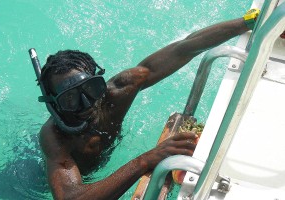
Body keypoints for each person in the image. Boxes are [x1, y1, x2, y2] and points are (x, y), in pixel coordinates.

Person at [37, 9, 258, 200]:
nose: (86, 104)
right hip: (36, 178)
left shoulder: (117, 93)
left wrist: (247, 22)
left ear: (100, 81)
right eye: (70, 99)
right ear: (54, 104)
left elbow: (184, 47)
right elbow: (71, 197)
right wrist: (145, 160)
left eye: (91, 89)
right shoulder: (55, 137)